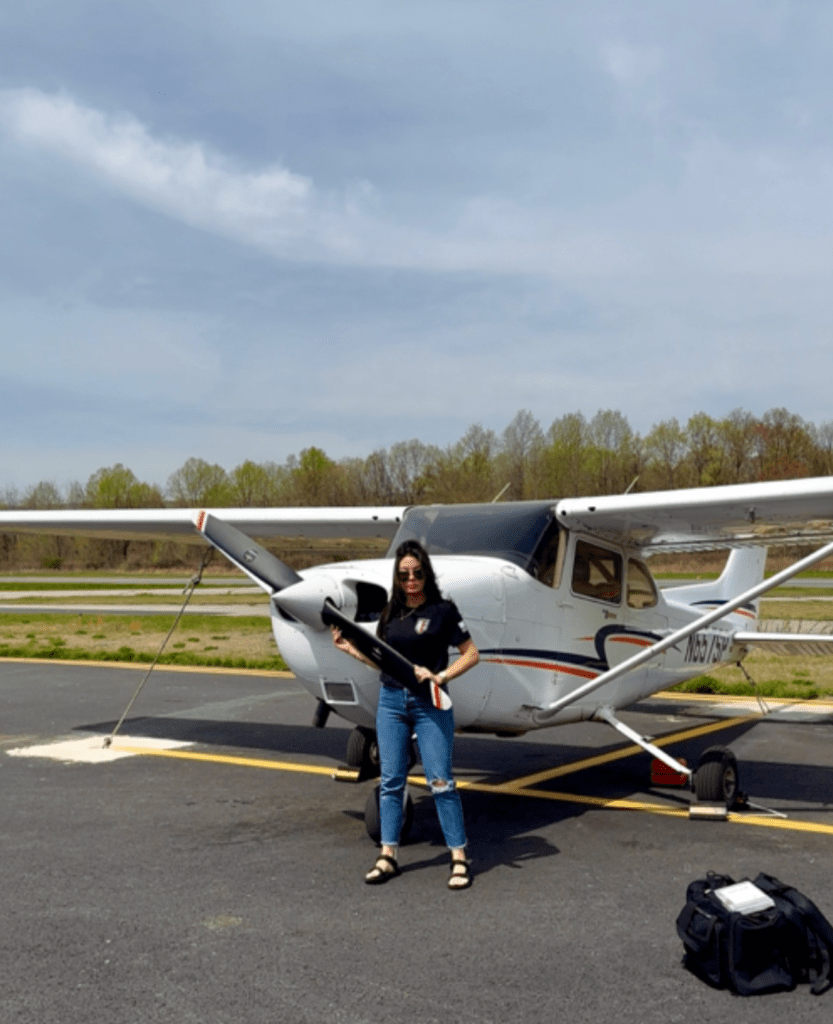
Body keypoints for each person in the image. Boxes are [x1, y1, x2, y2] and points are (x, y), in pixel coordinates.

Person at [331, 539, 480, 889]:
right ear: (397, 578)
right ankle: (388, 855)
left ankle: (459, 857)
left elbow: (472, 654)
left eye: (417, 573)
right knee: (391, 781)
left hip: (430, 703)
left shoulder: (443, 610)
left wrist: (441, 676)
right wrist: (350, 649)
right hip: (392, 702)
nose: (411, 580)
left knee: (440, 781)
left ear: (426, 573)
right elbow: (384, 663)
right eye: (404, 575)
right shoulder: (391, 614)